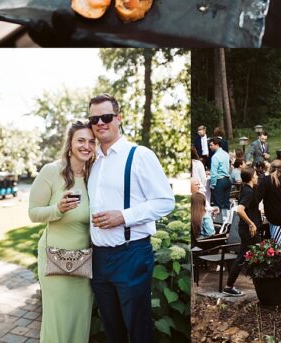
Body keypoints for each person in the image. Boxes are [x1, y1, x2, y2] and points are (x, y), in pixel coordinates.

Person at [86, 93, 175, 343]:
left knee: (138, 328)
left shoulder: (139, 155)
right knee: (111, 328)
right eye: (94, 119)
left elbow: (166, 201)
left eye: (106, 117)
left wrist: (123, 217)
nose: (100, 123)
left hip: (131, 254)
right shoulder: (93, 162)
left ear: (119, 118)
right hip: (99, 258)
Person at [28, 120, 96, 343]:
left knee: (80, 320)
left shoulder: (93, 175)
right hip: (54, 261)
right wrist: (57, 209)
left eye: (91, 141)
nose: (86, 146)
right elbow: (33, 213)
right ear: (70, 143)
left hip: (84, 264)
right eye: (81, 140)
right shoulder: (51, 171)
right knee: (57, 321)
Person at [223, 167, 263, 297]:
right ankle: (229, 286)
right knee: (243, 257)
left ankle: (259, 281)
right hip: (248, 230)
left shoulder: (248, 189)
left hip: (248, 229)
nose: (257, 177)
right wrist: (251, 223)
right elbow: (240, 210)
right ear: (251, 177)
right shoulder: (248, 192)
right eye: (255, 175)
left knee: (251, 256)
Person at [209, 137, 231, 217]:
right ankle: (227, 220)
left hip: (219, 181)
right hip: (227, 180)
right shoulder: (226, 154)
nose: (210, 147)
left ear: (217, 145)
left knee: (218, 204)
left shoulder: (215, 157)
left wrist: (212, 185)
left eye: (211, 145)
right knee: (226, 202)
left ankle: (219, 223)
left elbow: (214, 173)